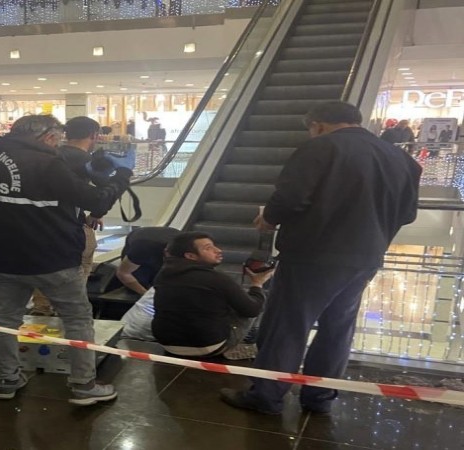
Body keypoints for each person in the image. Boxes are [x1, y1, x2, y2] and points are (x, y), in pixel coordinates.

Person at [221, 101, 421, 415]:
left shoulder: (320, 148)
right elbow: (408, 214)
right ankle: (320, 397)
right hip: (366, 258)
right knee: (338, 328)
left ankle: (267, 396)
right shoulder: (402, 159)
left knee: (288, 325)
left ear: (318, 125)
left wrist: (268, 219)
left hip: (313, 255)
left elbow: (291, 197)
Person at [0, 114, 134, 405]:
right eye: (56, 140)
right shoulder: (46, 163)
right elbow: (96, 201)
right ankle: (84, 385)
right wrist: (121, 176)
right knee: (77, 319)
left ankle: (6, 379)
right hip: (50, 257)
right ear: (47, 137)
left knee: (5, 320)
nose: (58, 145)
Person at [151, 232, 273, 359]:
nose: (218, 250)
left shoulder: (162, 275)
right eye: (208, 248)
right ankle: (248, 343)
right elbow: (252, 310)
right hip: (208, 346)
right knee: (255, 301)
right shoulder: (217, 279)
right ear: (190, 256)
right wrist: (257, 284)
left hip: (167, 343)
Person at [29, 116, 103, 316]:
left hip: (41, 225)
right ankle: (68, 313)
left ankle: (42, 309)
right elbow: (102, 193)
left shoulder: (49, 155)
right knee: (81, 265)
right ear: (94, 135)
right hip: (72, 226)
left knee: (44, 269)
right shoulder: (86, 160)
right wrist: (97, 213)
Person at [116, 226, 180, 295]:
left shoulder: (185, 246)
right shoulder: (142, 248)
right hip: (142, 239)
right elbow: (123, 273)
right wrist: (146, 295)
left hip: (164, 238)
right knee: (138, 283)